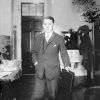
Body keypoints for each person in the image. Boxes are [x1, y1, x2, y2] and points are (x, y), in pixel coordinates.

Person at [32, 16, 71, 100]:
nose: (47, 26)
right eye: (45, 24)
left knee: (53, 96)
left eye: (49, 24)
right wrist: (36, 63)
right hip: (40, 71)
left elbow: (64, 53)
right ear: (43, 25)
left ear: (53, 24)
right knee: (37, 97)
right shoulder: (38, 37)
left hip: (53, 71)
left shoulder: (59, 38)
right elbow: (34, 52)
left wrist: (66, 65)